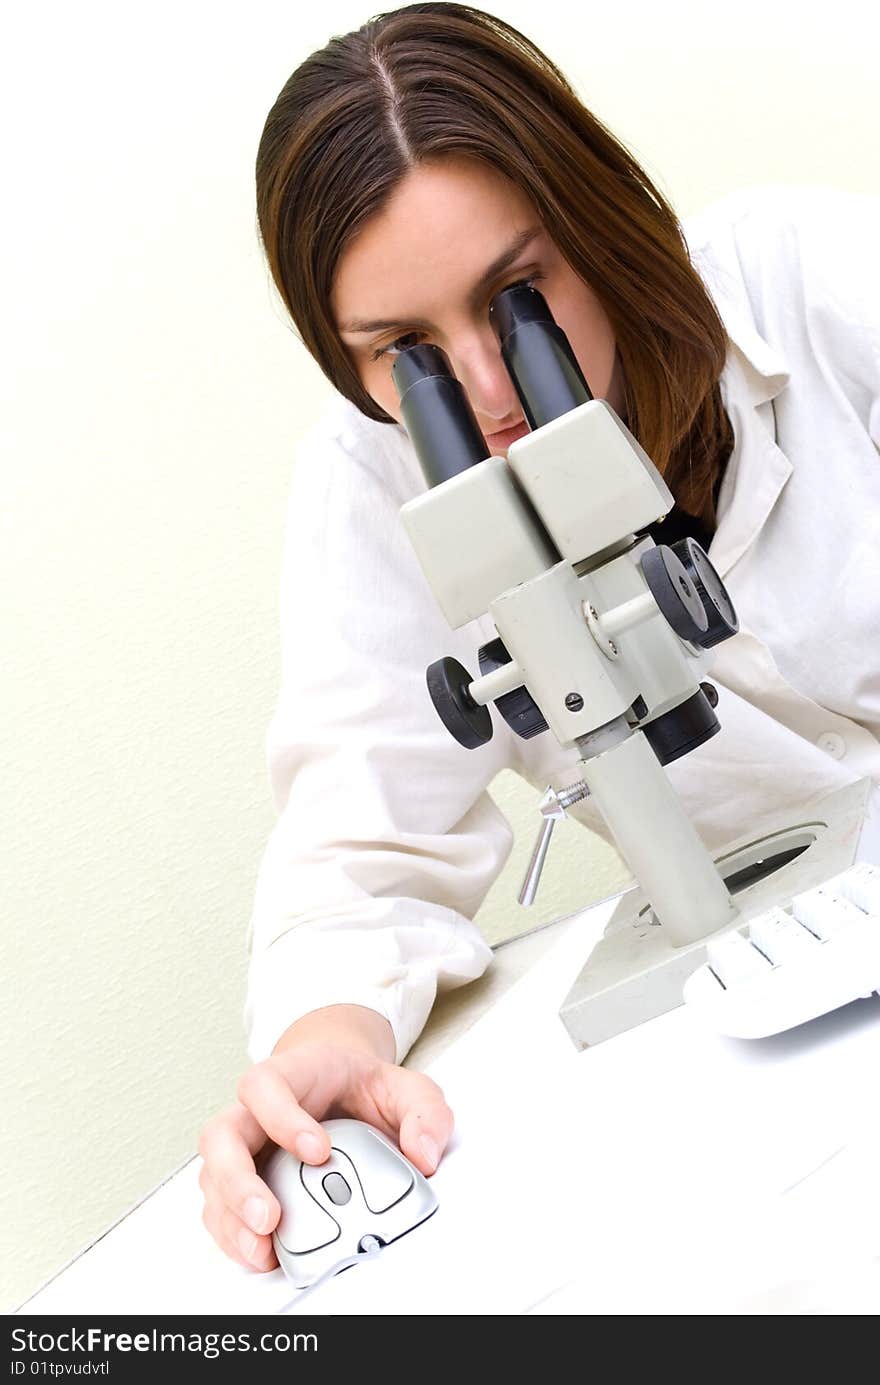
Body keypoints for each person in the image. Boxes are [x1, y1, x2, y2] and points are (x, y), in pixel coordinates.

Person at [198, 2, 880, 1273]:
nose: (493, 396)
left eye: (517, 300)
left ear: (596, 220)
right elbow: (359, 850)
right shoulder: (375, 485)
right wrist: (323, 1036)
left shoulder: (807, 277)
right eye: (407, 354)